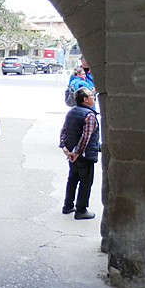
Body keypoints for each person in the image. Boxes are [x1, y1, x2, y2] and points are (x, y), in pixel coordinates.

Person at [59, 86, 100, 220]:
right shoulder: (89, 115)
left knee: (73, 178)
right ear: (85, 100)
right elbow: (86, 137)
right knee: (85, 181)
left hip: (72, 154)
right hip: (84, 155)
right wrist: (77, 152)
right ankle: (81, 210)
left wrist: (66, 149)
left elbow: (63, 131)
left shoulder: (71, 112)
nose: (93, 98)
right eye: (91, 96)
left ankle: (68, 205)